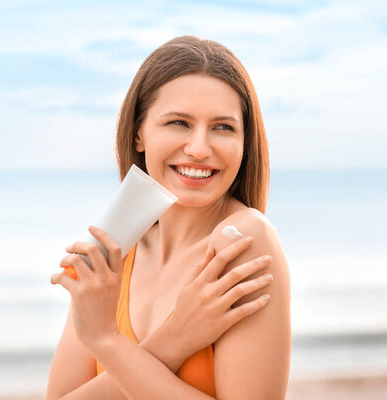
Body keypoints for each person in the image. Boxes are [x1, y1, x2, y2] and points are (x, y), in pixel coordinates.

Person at [46, 35, 291, 399]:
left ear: (244, 142)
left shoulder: (242, 242)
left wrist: (107, 341)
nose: (199, 148)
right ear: (139, 133)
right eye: (179, 123)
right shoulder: (117, 249)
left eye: (223, 127)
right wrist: (174, 338)